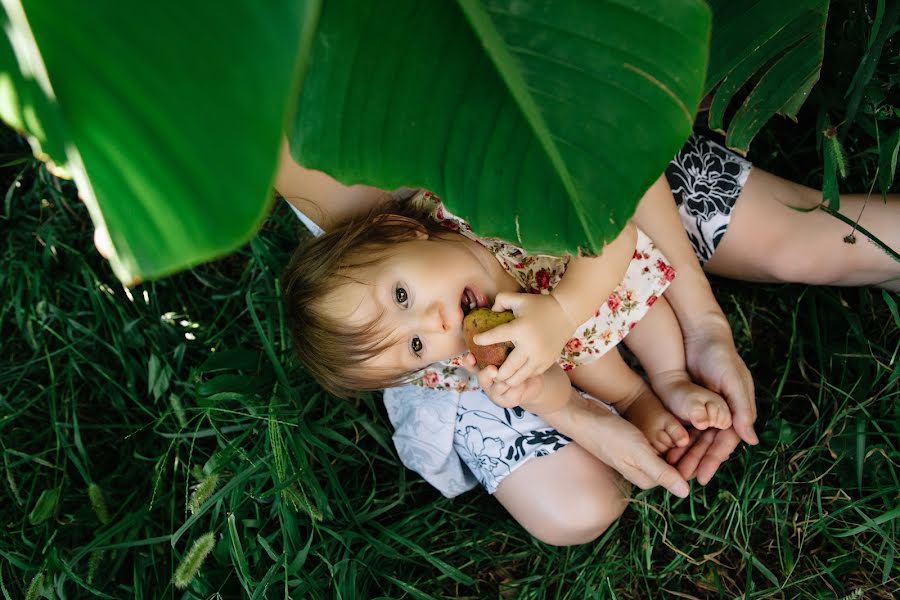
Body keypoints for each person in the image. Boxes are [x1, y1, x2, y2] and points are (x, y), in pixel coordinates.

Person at [275, 132, 900, 546]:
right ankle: (653, 393)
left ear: (406, 231)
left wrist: (589, 311)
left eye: (409, 304)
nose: (433, 326)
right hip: (380, 260)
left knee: (815, 246)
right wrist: (574, 407)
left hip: (572, 172)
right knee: (574, 507)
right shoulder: (439, 337)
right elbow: (547, 386)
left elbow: (606, 212)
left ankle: (669, 370)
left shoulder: (484, 205)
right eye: (417, 345)